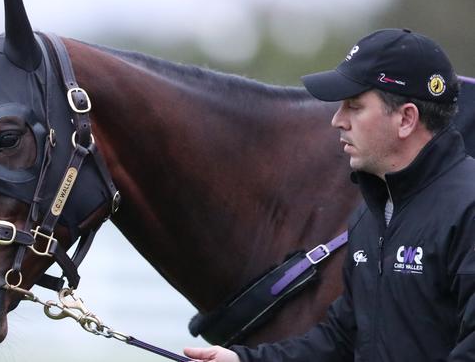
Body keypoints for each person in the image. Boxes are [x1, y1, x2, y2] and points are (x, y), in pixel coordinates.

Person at [184, 28, 475, 362]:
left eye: (354, 106)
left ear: (406, 118)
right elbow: (340, 339)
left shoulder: (468, 208)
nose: (338, 120)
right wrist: (243, 361)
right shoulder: (371, 215)